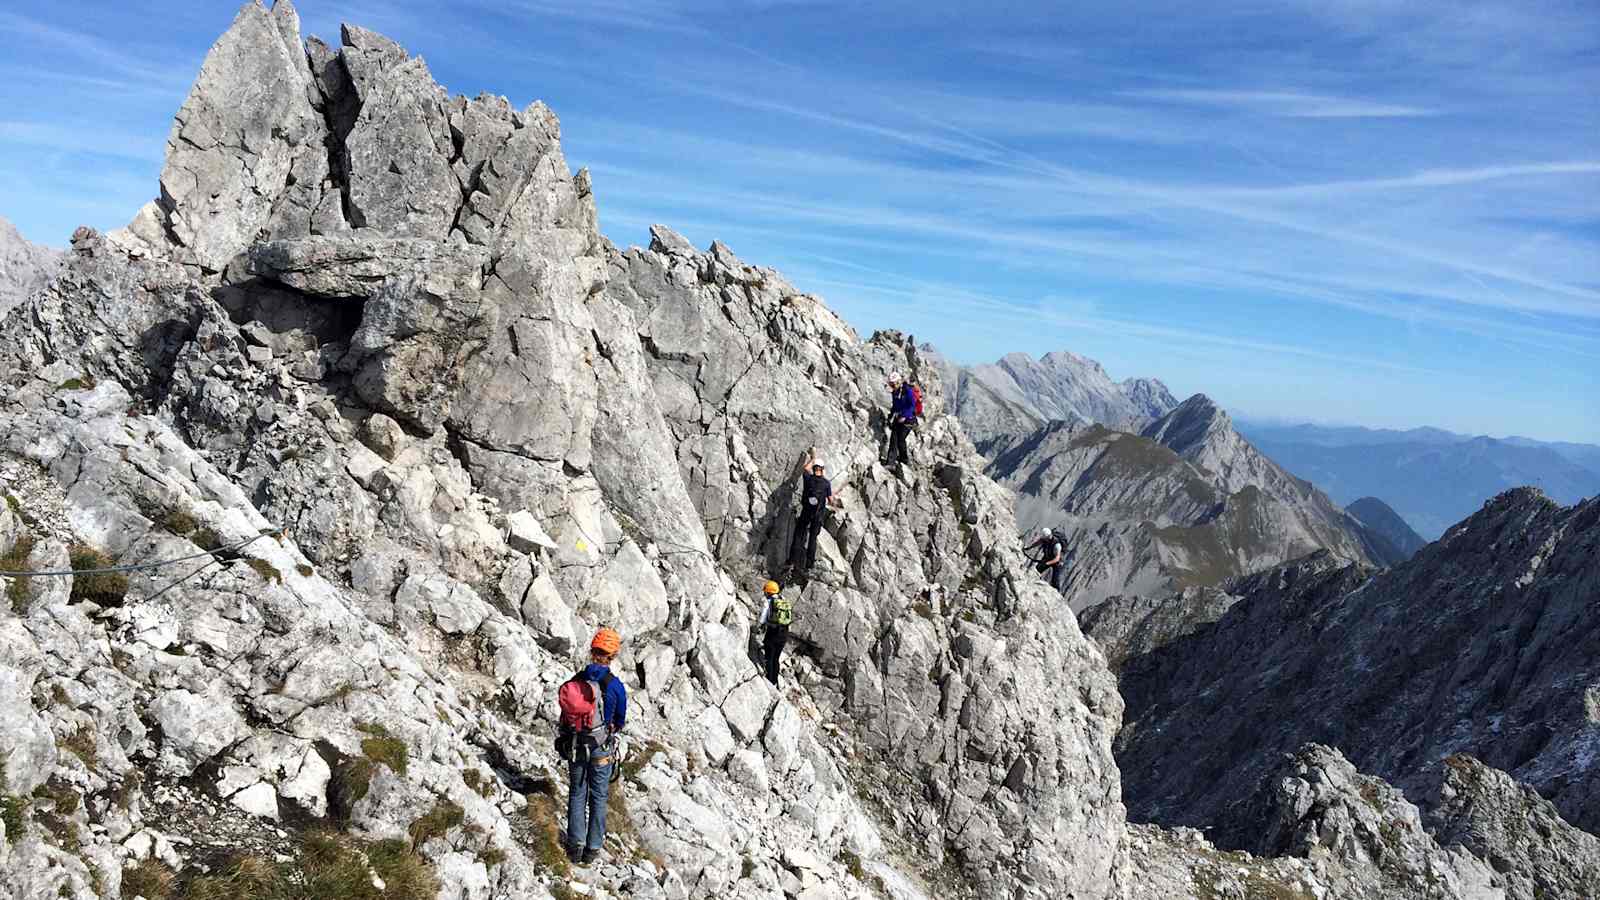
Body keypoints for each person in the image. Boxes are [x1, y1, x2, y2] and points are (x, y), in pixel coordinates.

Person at [564, 627, 627, 865]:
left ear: (592, 651)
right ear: (612, 656)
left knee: (577, 792)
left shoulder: (578, 679)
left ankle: (575, 845)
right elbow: (620, 719)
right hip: (601, 747)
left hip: (577, 743)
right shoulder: (615, 686)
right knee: (599, 797)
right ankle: (592, 849)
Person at [787, 448, 841, 574]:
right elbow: (831, 501)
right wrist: (835, 499)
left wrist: (812, 457)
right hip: (818, 516)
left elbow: (805, 468)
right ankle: (809, 566)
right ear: (822, 470)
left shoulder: (808, 478)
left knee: (799, 535)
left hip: (806, 512)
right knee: (812, 539)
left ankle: (792, 560)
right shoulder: (826, 484)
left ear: (815, 468)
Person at [756, 580, 792, 685]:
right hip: (784, 632)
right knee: (776, 658)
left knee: (769, 656)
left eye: (765, 591)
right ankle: (775, 681)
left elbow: (762, 618)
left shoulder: (768, 602)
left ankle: (769, 680)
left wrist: (759, 626)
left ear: (768, 592)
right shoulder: (783, 600)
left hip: (773, 632)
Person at [885, 372, 918, 471]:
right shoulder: (895, 392)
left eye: (895, 384)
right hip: (898, 418)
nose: (893, 386)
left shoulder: (908, 391)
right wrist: (890, 416)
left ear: (899, 381)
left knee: (900, 439)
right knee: (893, 439)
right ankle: (890, 463)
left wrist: (904, 416)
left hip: (909, 419)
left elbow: (912, 405)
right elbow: (895, 406)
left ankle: (904, 460)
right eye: (891, 384)